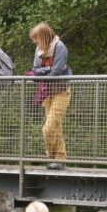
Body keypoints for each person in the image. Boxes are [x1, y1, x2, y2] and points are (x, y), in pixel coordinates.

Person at [29, 23, 73, 170]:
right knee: (56, 127)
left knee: (48, 128)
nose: (34, 41)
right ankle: (59, 159)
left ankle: (50, 155)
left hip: (61, 90)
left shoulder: (60, 47)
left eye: (36, 38)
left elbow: (57, 73)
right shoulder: (38, 49)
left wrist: (45, 71)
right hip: (46, 91)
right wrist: (48, 69)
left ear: (43, 37)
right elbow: (35, 70)